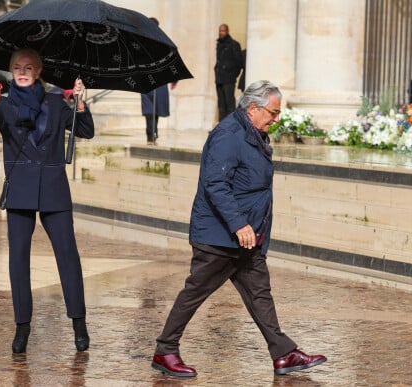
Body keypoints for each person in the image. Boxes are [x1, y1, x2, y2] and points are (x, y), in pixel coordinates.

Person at [151, 80, 327, 377]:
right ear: (254, 108)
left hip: (247, 237)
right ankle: (165, 350)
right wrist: (239, 224)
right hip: (221, 236)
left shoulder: (252, 133)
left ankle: (283, 354)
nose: (276, 118)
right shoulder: (228, 135)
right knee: (195, 292)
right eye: (272, 112)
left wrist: (250, 227)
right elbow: (215, 184)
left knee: (260, 294)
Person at [0, 47, 95, 354]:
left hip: (54, 189)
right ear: (11, 71)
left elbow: (86, 130)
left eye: (28, 68)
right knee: (18, 260)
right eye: (17, 67)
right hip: (19, 189)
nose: (22, 71)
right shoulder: (3, 106)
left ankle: (79, 323)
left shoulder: (56, 102)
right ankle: (22, 327)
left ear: (39, 71)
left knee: (68, 256)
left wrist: (80, 101)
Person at [140, 17, 177, 145]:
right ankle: (150, 134)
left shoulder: (163, 41)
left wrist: (174, 77)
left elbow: (171, 59)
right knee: (148, 110)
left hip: (159, 81)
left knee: (155, 110)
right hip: (146, 79)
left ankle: (153, 133)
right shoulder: (141, 40)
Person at [214, 24, 243, 121]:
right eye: (220, 31)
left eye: (223, 31)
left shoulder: (234, 44)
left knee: (229, 103)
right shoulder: (219, 44)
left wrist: (233, 75)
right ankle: (221, 128)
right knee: (221, 104)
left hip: (229, 79)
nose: (221, 33)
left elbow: (239, 62)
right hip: (219, 78)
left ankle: (231, 126)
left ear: (227, 31)